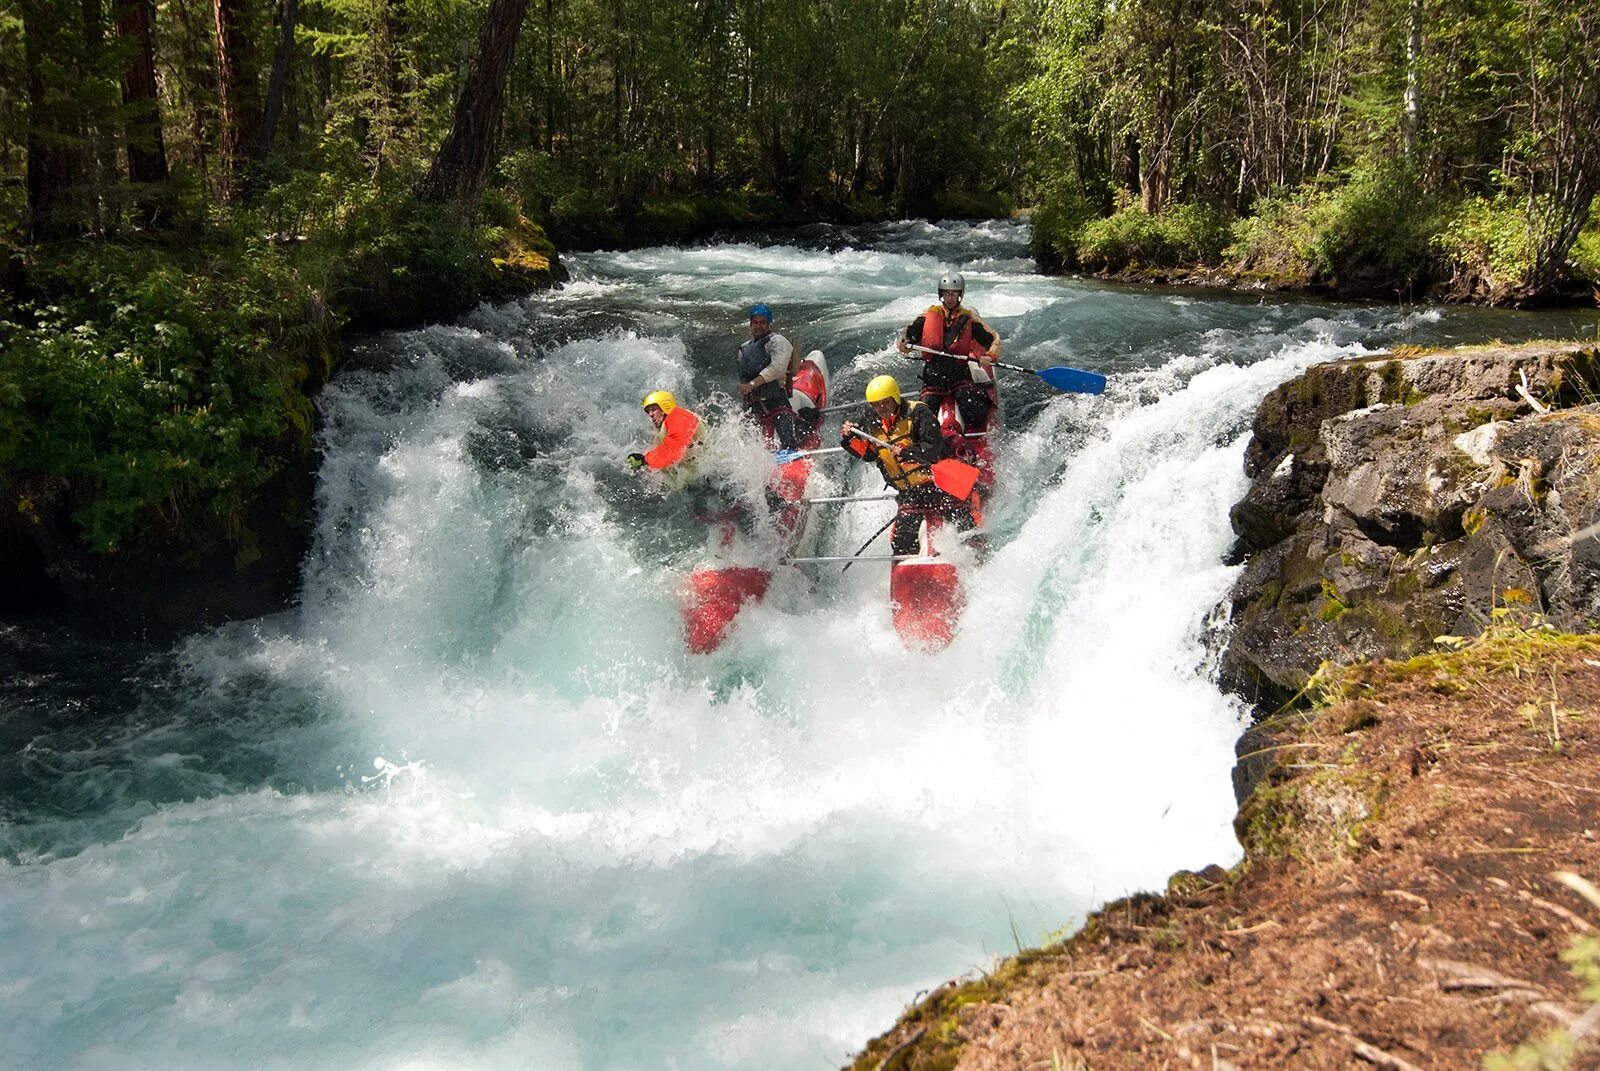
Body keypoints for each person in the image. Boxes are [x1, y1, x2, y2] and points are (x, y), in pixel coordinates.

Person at [840, 375, 978, 556]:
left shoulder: (919, 413)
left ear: (895, 398)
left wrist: (909, 451)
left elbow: (934, 447)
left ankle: (974, 554)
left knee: (964, 526)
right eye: (876, 404)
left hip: (936, 484)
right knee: (901, 542)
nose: (881, 408)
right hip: (909, 493)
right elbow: (869, 454)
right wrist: (849, 439)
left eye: (885, 402)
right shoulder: (871, 421)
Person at [895, 271, 999, 432]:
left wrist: (990, 355)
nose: (950, 298)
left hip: (959, 374)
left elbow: (993, 339)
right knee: (922, 419)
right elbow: (909, 333)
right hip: (933, 377)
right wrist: (904, 342)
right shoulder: (928, 315)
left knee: (975, 413)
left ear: (960, 295)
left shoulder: (969, 318)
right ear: (941, 294)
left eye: (954, 294)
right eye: (947, 293)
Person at [736, 303, 802, 451]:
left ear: (769, 323)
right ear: (750, 324)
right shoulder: (744, 348)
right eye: (755, 323)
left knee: (788, 441)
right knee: (750, 440)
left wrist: (752, 384)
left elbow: (777, 369)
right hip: (755, 402)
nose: (758, 326)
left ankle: (791, 450)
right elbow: (743, 376)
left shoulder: (778, 341)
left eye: (763, 322)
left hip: (777, 399)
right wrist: (748, 391)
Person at [628, 390, 702, 473]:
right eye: (648, 411)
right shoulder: (671, 421)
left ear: (665, 407)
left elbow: (675, 451)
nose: (650, 414)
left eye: (653, 409)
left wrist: (644, 460)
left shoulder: (677, 417)